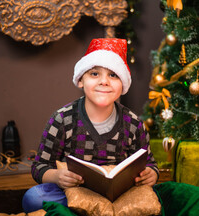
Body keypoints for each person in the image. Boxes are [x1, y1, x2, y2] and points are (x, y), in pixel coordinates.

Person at [22, 38, 159, 213]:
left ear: (122, 84)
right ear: (81, 80)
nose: (104, 82)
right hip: (74, 192)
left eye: (113, 75)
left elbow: (150, 164)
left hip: (120, 194)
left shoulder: (133, 123)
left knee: (154, 197)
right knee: (34, 198)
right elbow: (39, 167)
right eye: (95, 74)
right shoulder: (62, 119)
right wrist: (58, 176)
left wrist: (151, 174)